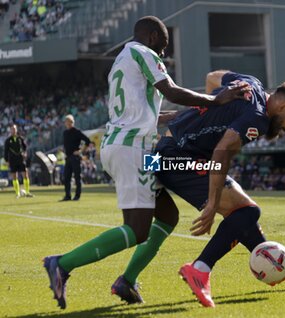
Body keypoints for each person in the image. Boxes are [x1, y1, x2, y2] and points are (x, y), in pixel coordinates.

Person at [43, 16, 251, 309]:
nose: (163, 54)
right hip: (132, 149)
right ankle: (62, 264)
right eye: (163, 47)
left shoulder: (122, 60)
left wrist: (178, 116)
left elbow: (142, 111)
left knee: (167, 216)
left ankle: (127, 280)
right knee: (137, 229)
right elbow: (171, 90)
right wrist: (215, 100)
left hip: (128, 145)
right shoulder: (144, 52)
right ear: (152, 36)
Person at [118, 70, 285, 307]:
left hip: (169, 153)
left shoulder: (251, 84)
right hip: (173, 158)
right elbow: (221, 151)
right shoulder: (258, 118)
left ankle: (276, 264)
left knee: (244, 213)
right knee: (247, 212)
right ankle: (200, 269)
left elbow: (212, 77)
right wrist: (212, 204)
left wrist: (210, 108)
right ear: (282, 106)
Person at [60, 115, 91, 201]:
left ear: (72, 122)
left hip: (75, 157)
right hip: (68, 157)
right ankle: (67, 195)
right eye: (66, 121)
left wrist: (80, 151)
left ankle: (77, 195)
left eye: (69, 121)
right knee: (67, 177)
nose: (68, 123)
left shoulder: (77, 131)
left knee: (77, 177)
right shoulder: (65, 133)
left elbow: (87, 141)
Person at [4, 124, 33, 198]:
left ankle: (27, 192)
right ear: (10, 130)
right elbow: (6, 151)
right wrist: (7, 160)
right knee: (14, 176)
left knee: (25, 175)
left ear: (16, 130)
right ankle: (17, 193)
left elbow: (25, 147)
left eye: (14, 129)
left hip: (20, 159)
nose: (13, 130)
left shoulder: (20, 138)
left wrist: (25, 153)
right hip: (12, 160)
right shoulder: (8, 141)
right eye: (12, 129)